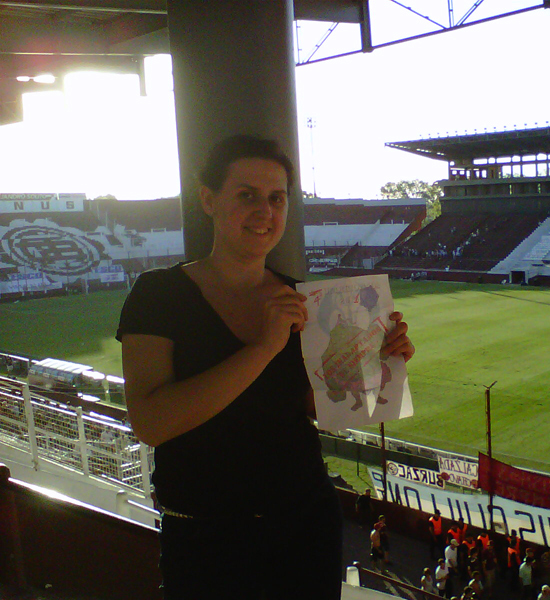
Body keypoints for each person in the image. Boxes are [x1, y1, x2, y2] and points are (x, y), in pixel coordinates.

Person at [117, 135, 415, 599]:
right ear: (208, 200)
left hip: (305, 527)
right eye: (247, 195)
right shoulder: (158, 295)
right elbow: (152, 422)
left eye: (277, 198)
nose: (265, 211)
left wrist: (377, 360)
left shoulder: (304, 299)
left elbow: (316, 408)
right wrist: (264, 346)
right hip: (205, 538)